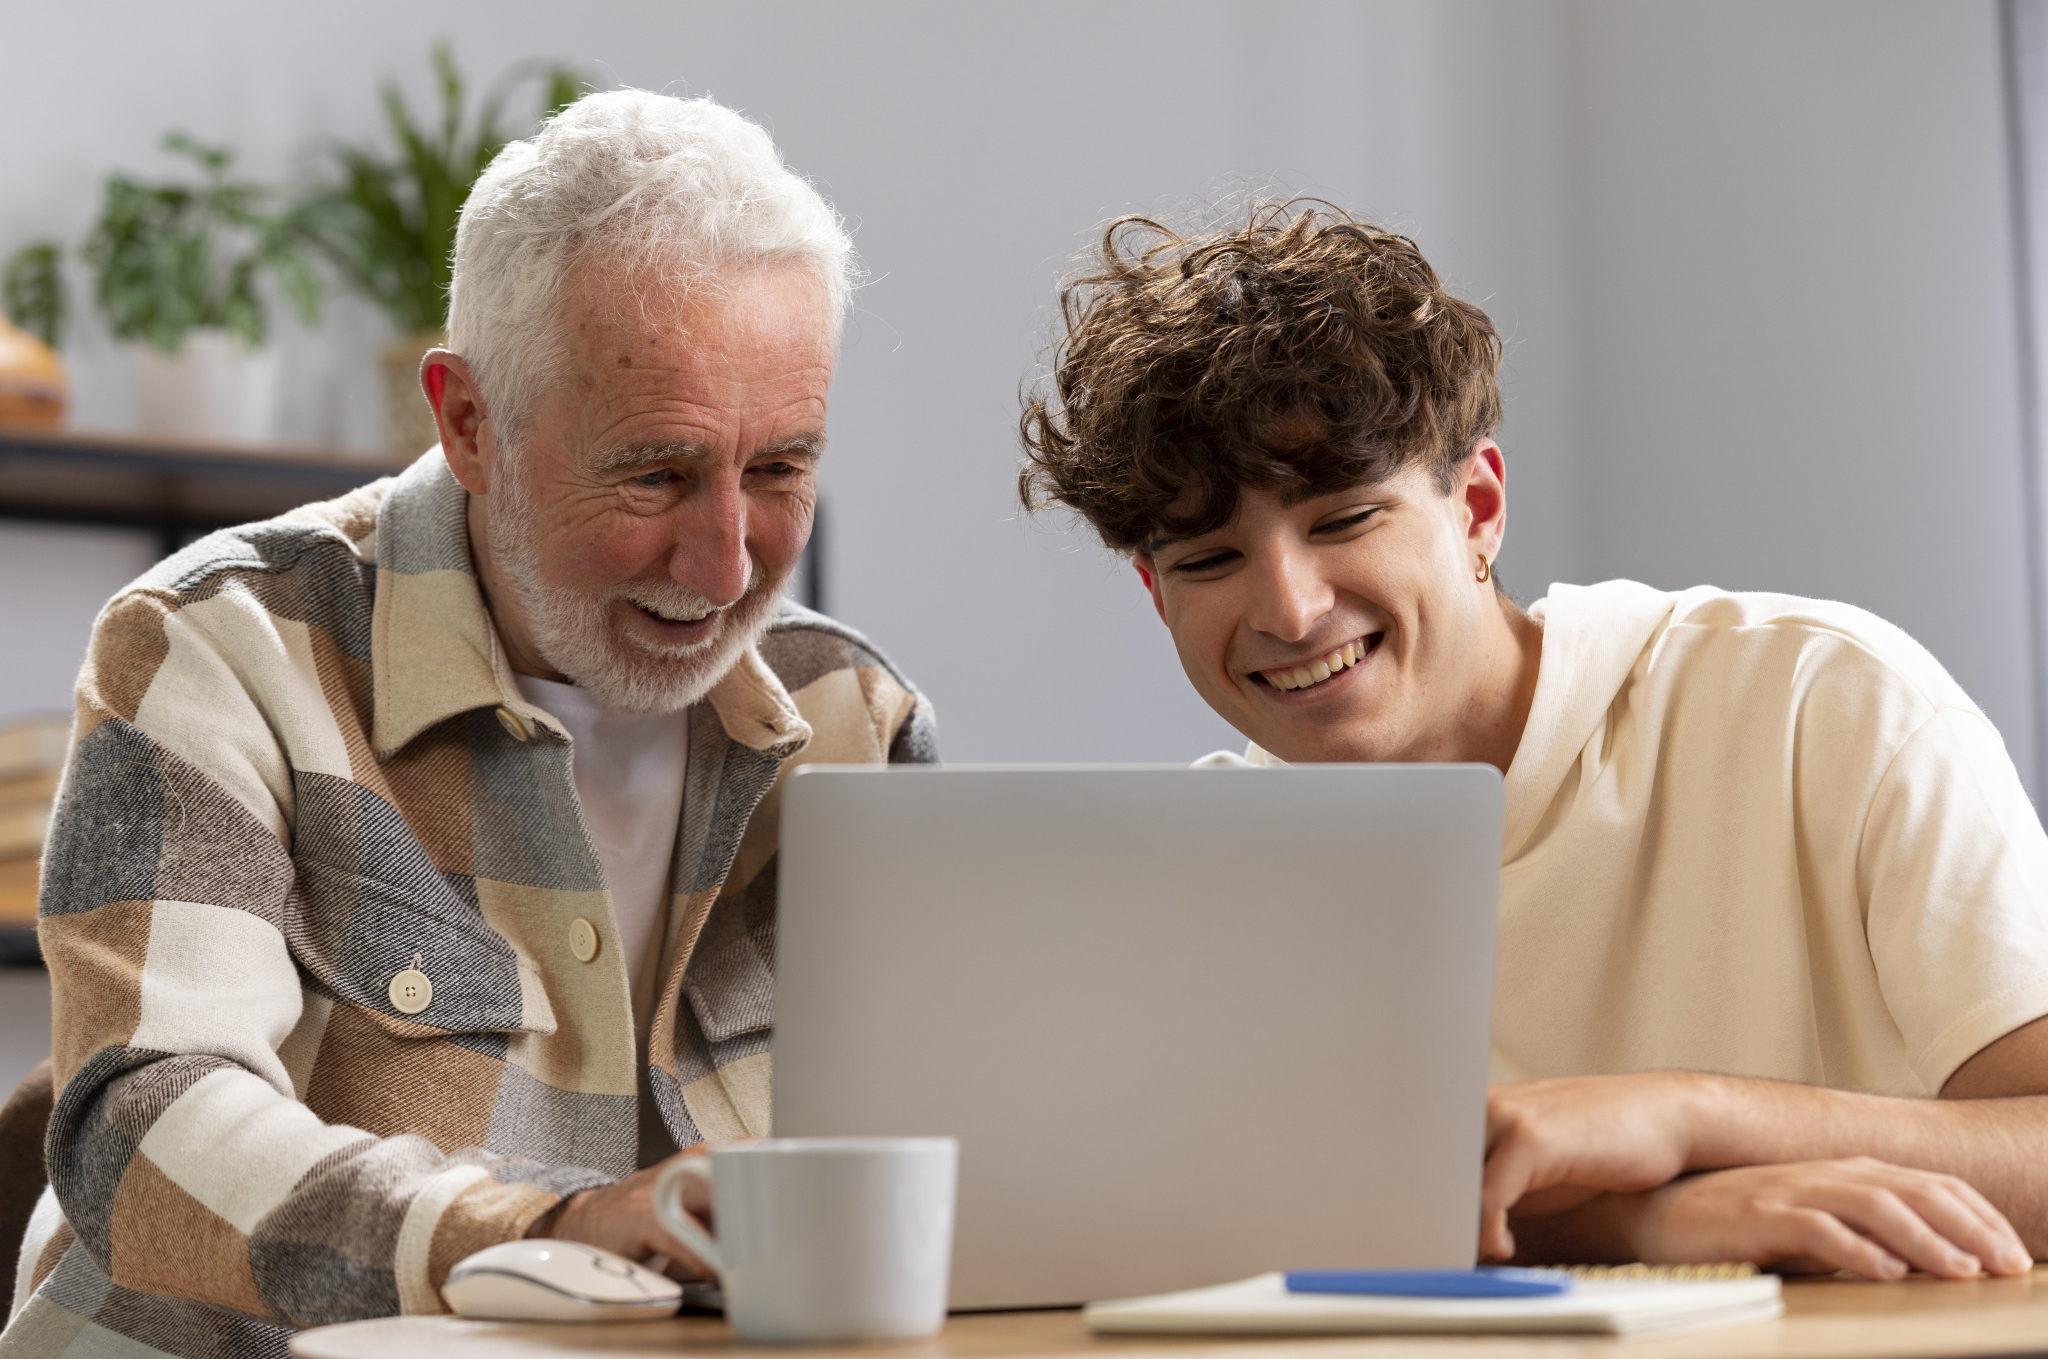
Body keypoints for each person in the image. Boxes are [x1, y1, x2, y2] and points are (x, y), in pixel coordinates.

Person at [4, 90, 934, 1359]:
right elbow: (145, 1131)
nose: (725, 566)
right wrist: (538, 1230)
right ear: (467, 422)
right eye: (655, 471)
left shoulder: (853, 722)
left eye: (778, 469)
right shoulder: (219, 645)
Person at [1018, 200, 2048, 1282]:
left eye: (1341, 520)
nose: (1287, 608)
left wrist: (1686, 1117)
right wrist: (1638, 1223)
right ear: (1154, 595)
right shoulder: (1201, 870)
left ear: (1475, 507)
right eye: (1208, 562)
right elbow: (1205, 1224)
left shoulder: (1817, 696)